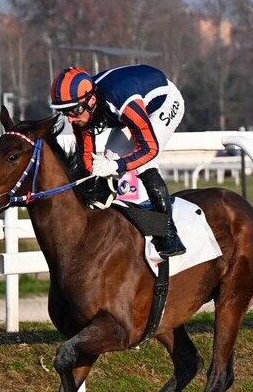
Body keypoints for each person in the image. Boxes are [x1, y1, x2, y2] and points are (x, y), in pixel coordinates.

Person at [49, 64, 186, 258]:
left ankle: (170, 234)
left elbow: (149, 149)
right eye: (66, 113)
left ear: (92, 100)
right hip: (132, 103)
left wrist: (116, 166)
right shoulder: (83, 109)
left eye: (73, 112)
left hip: (164, 103)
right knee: (108, 157)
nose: (71, 120)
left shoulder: (123, 104)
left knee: (143, 163)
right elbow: (86, 157)